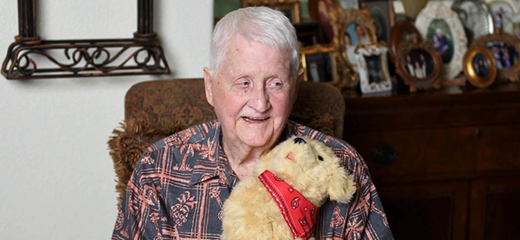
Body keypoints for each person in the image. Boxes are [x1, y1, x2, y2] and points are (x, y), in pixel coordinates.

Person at [111, 7, 393, 240]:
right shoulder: (158, 169)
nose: (260, 103)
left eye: (276, 83)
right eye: (243, 83)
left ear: (295, 87)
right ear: (210, 86)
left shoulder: (342, 165)